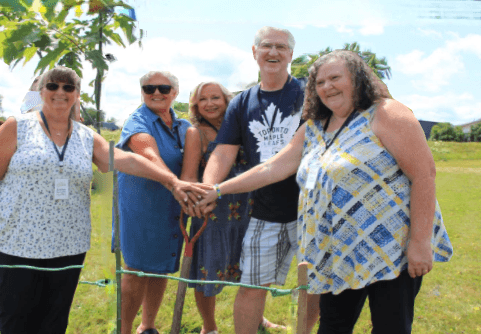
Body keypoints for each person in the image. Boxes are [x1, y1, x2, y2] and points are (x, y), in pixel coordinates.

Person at [198, 50, 454, 334]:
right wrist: (218, 190)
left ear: (357, 79)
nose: (327, 87)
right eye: (319, 82)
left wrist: (419, 242)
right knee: (332, 326)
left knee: (390, 326)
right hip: (338, 251)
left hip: (391, 248)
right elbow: (272, 168)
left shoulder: (386, 113)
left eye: (335, 78)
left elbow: (424, 175)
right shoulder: (315, 127)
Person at [0, 66, 207, 334]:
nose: (60, 92)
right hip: (18, 243)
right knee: (17, 318)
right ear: (41, 91)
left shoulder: (85, 135)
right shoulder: (17, 127)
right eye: (53, 86)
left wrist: (174, 182)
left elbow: (126, 159)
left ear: (76, 95)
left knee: (55, 319)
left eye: (68, 87)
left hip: (68, 245)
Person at [198, 26, 320, 334]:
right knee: (252, 284)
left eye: (281, 47)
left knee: (316, 284)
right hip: (266, 208)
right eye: (266, 46)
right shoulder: (242, 102)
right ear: (255, 52)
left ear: (291, 54)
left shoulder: (311, 95)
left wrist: (216, 188)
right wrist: (207, 188)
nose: (273, 53)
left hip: (313, 206)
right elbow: (223, 151)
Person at [116, 70, 202, 334]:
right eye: (148, 88)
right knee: (136, 269)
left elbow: (189, 172)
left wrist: (185, 193)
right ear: (142, 92)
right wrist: (175, 185)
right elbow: (148, 154)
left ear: (174, 93)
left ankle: (148, 326)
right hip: (140, 206)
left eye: (163, 88)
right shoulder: (138, 120)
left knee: (161, 267)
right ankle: (125, 329)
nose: (156, 93)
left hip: (171, 207)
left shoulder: (186, 128)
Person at [180, 82, 252, 334]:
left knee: (253, 270)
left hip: (247, 208)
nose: (210, 103)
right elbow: (189, 175)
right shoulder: (195, 132)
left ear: (226, 100)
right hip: (212, 212)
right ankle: (209, 327)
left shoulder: (242, 126)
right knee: (207, 271)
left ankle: (256, 318)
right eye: (203, 99)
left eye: (215, 98)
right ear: (195, 105)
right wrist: (192, 202)